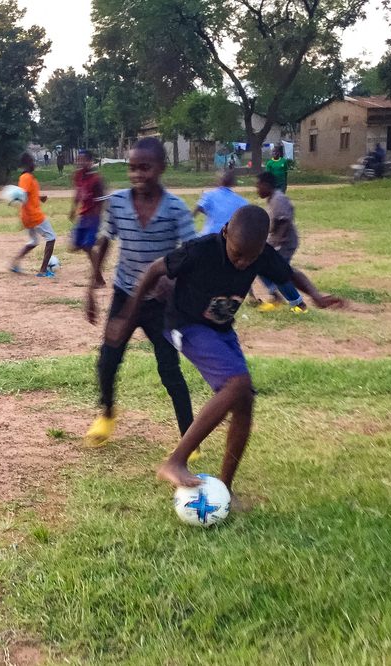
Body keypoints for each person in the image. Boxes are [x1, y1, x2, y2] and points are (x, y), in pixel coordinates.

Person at [106, 206, 342, 498]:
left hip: (221, 330)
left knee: (244, 400)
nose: (243, 263)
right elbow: (155, 269)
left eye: (250, 258)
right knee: (238, 383)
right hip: (185, 324)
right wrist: (128, 316)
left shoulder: (261, 254)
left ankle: (225, 490)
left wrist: (316, 295)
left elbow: (289, 274)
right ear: (225, 232)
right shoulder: (200, 250)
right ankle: (175, 461)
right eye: (237, 254)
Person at [84, 137, 196, 447]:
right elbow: (105, 241)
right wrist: (91, 287)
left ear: (161, 168)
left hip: (160, 304)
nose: (137, 175)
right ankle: (107, 414)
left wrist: (174, 279)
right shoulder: (118, 202)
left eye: (144, 168)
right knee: (108, 361)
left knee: (169, 370)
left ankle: (189, 438)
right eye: (132, 168)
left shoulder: (175, 208)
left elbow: (193, 253)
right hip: (125, 295)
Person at [255, 171, 306, 312]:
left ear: (266, 185)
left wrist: (277, 244)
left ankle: (299, 304)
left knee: (279, 273)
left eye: (258, 186)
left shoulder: (279, 199)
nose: (257, 190)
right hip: (275, 243)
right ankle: (276, 297)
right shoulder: (272, 199)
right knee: (260, 266)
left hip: (284, 244)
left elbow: (284, 221)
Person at [11, 153, 56, 277]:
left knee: (34, 241)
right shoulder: (26, 177)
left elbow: (27, 194)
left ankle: (15, 263)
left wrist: (39, 197)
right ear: (26, 164)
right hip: (34, 215)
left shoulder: (28, 177)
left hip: (28, 216)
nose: (34, 164)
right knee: (51, 238)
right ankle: (43, 270)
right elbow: (22, 195)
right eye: (31, 161)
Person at [68, 149, 106, 287]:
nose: (80, 162)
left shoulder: (96, 179)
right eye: (79, 160)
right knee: (75, 246)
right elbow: (78, 193)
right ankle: (100, 242)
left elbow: (102, 199)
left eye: (83, 160)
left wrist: (96, 217)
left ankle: (99, 280)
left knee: (87, 246)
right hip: (83, 216)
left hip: (93, 217)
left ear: (90, 162)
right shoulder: (78, 175)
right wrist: (73, 209)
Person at [194, 171, 248, 236]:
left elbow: (197, 210)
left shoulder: (209, 195)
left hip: (209, 235)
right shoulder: (241, 201)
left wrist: (211, 213)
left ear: (218, 181)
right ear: (233, 183)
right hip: (228, 237)